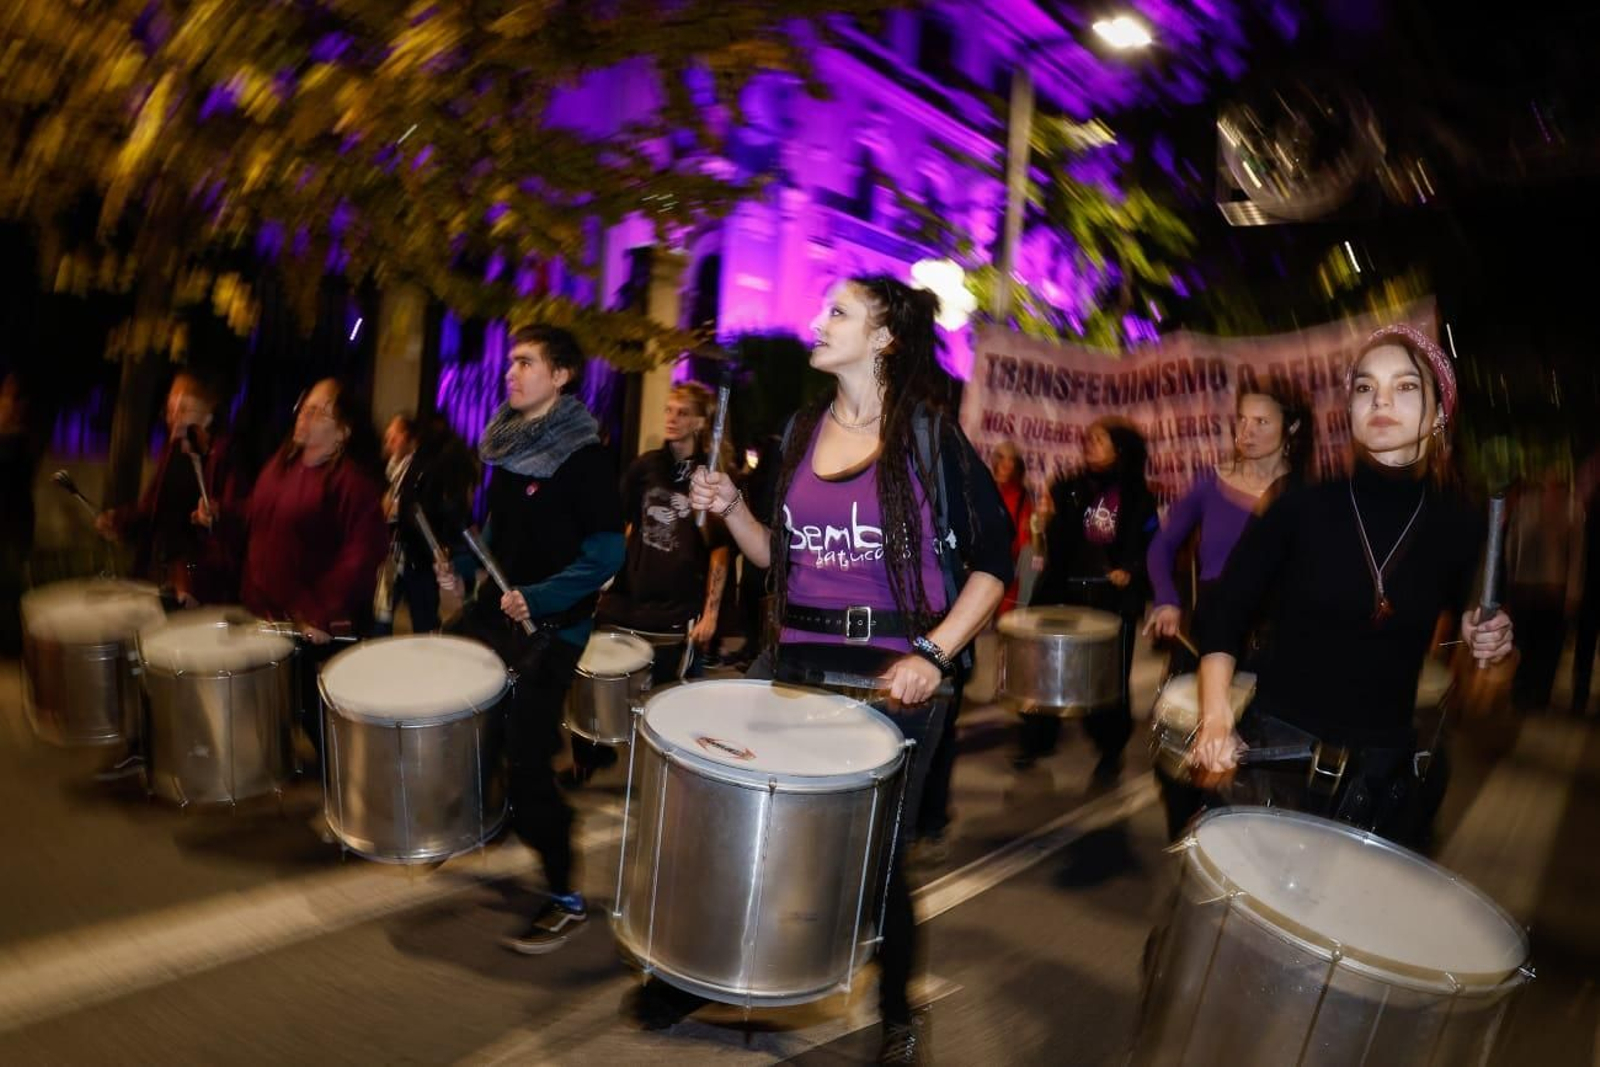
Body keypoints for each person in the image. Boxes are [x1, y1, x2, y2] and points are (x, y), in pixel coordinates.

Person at [689, 274, 1012, 1064]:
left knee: (877, 861)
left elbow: (994, 564)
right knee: (758, 829)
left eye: (837, 311)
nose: (817, 320)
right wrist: (733, 509)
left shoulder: (930, 438)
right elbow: (778, 559)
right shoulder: (801, 429)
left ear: (884, 337)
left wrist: (934, 654)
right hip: (794, 661)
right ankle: (712, 971)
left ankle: (898, 1010)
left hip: (893, 676)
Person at [1191, 325, 1515, 849]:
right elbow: (1226, 611)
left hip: (1383, 777)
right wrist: (1214, 716)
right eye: (1365, 387)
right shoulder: (1299, 507)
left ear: (1439, 414)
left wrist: (1491, 648)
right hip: (1278, 756)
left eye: (1405, 386)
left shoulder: (1461, 525)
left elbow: (1484, 668)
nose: (1380, 400)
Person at [433, 325, 624, 955]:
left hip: (553, 631)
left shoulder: (586, 459)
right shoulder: (512, 448)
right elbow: (496, 535)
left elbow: (606, 556)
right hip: (498, 617)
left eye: (525, 362)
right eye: (511, 362)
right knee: (459, 721)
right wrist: (460, 570)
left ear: (561, 375)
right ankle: (488, 819)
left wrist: (538, 597)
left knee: (526, 761)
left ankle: (565, 894)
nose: (510, 373)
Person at [1142, 384, 1311, 836]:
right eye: (1242, 420)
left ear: (1292, 428)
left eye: (1262, 422)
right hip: (1209, 633)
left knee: (1255, 766)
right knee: (1179, 755)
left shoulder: (1305, 496)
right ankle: (1185, 836)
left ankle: (1235, 845)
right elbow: (1161, 547)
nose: (1246, 431)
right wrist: (1167, 599)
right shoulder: (1210, 483)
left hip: (1273, 642)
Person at [214, 378, 388, 763]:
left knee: (317, 717)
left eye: (318, 411)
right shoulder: (281, 465)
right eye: (304, 407)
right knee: (275, 708)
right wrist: (221, 514)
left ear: (343, 432)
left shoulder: (351, 484)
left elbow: (363, 553)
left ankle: (354, 788)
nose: (304, 416)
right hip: (270, 613)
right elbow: (258, 514)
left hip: (313, 624)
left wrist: (322, 613)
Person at [1022, 418, 1158, 779]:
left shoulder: (1137, 495)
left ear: (1120, 449)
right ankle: (1036, 740)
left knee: (1107, 677)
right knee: (1047, 669)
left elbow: (1150, 543)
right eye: (1089, 438)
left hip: (1110, 600)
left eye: (1099, 439)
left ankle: (1110, 750)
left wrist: (1130, 569)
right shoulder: (1067, 487)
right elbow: (1058, 542)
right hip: (1064, 593)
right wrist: (1048, 519)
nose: (1090, 444)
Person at [96, 372, 246, 608]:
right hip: (162, 571)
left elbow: (239, 514)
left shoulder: (225, 454)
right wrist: (121, 520)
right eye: (170, 408)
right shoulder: (173, 450)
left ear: (208, 412)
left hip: (201, 581)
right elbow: (153, 508)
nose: (174, 415)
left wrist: (217, 514)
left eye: (184, 408)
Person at [374, 412, 477, 635]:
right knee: (392, 620)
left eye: (396, 436)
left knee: (416, 620)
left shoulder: (427, 465)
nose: (390, 442)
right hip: (405, 555)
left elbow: (412, 510)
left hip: (418, 557)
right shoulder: (410, 466)